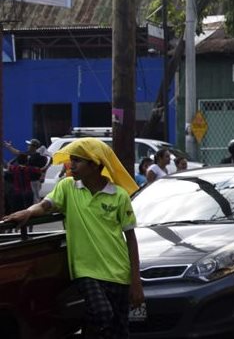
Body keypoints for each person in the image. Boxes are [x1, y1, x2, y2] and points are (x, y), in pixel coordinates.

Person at [0, 138, 143, 338]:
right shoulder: (68, 187)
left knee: (119, 331)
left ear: (94, 164)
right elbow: (45, 205)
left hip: (119, 272)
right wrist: (28, 212)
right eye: (71, 160)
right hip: (86, 271)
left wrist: (136, 281)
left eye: (78, 161)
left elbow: (131, 238)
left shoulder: (119, 196)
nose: (71, 165)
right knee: (103, 314)